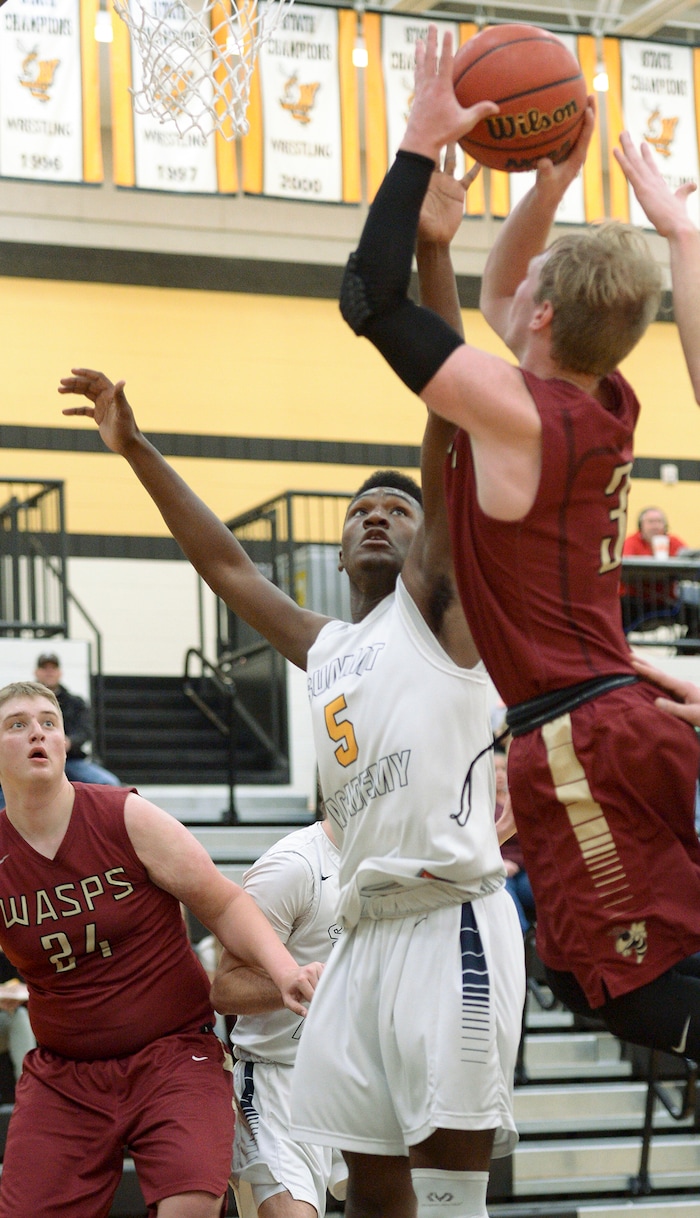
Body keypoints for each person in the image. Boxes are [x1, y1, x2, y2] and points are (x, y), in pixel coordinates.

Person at [57, 183, 525, 1218]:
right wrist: (134, 447)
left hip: (448, 917)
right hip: (361, 934)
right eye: (358, 509)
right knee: (372, 1183)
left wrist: (437, 260)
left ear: (425, 537)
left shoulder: (443, 613)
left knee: (449, 1192)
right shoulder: (329, 646)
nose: (373, 516)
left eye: (394, 509)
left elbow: (447, 430)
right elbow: (224, 565)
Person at [336, 25, 700, 1062]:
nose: (516, 291)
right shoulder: (605, 399)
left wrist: (417, 143)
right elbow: (499, 300)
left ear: (541, 321)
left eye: (531, 283)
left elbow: (370, 296)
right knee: (631, 964)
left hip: (583, 740)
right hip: (615, 719)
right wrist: (548, 185)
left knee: (623, 993)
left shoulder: (519, 414)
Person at [0, 679, 322, 1218]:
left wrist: (283, 969)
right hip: (65, 1074)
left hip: (171, 1053)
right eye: (17, 723)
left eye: (48, 722)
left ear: (64, 743)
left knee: (191, 1205)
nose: (37, 732)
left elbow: (223, 903)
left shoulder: (124, 816)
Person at [210, 810, 347, 1218]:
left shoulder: (400, 857)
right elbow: (225, 988)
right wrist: (295, 983)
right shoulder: (294, 866)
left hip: (365, 1075)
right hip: (281, 1080)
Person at [34, 653, 121, 786]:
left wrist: (69, 742)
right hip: (35, 759)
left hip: (71, 759)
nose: (49, 672)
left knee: (109, 783)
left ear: (60, 672)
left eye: (53, 668)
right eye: (45, 668)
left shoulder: (75, 703)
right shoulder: (26, 702)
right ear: (37, 672)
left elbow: (86, 731)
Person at [619, 508, 689, 632]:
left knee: (694, 613)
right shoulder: (631, 542)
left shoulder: (673, 541)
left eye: (658, 521)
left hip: (665, 602)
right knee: (618, 609)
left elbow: (688, 561)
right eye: (650, 522)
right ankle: (621, 648)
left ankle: (686, 650)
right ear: (641, 526)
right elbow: (624, 568)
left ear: (665, 525)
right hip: (635, 600)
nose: (655, 526)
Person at [494, 746, 534, 937]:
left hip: (525, 869)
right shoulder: (479, 803)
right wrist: (500, 863)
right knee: (507, 898)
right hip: (499, 871)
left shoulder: (516, 798)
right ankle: (523, 945)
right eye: (494, 770)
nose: (500, 774)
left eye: (503, 768)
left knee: (550, 893)